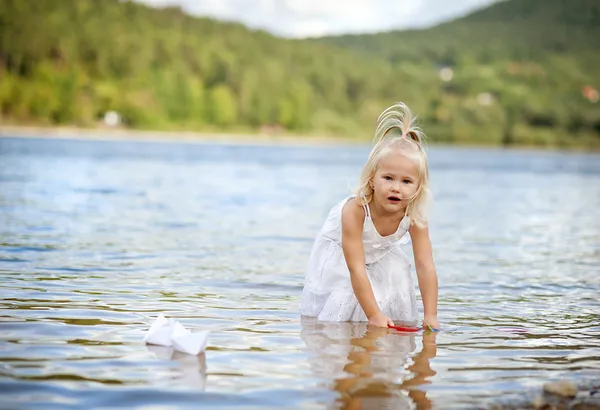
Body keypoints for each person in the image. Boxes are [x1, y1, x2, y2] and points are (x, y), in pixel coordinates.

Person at [301, 102, 439, 329]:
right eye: (388, 178)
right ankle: (351, 336)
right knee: (346, 299)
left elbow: (425, 266)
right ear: (372, 178)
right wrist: (374, 314)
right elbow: (355, 268)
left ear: (418, 187)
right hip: (343, 255)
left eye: (406, 182)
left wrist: (431, 315)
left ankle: (383, 330)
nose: (396, 187)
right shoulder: (354, 211)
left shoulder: (414, 217)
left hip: (378, 254)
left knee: (396, 274)